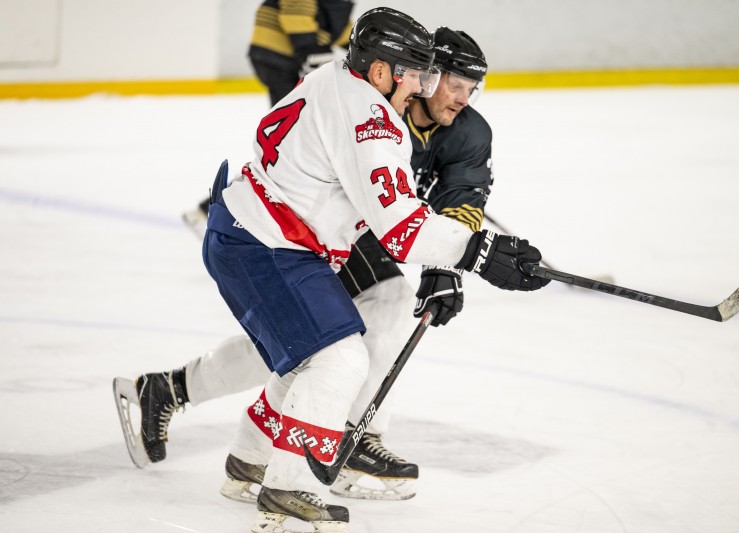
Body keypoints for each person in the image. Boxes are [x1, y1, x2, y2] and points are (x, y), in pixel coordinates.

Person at [118, 9, 549, 531]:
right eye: (434, 78)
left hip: (301, 234)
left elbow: (456, 201)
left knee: (324, 342)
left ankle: (251, 452)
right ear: (389, 71)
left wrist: (450, 263)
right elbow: (401, 227)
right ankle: (309, 462)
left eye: (465, 87)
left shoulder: (359, 87)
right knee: (333, 352)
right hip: (280, 238)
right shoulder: (373, 117)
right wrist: (477, 254)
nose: (443, 92)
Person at [182, 0, 356, 233]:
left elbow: (338, 25)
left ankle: (214, 209)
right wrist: (311, 50)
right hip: (280, 58)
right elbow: (295, 12)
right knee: (291, 147)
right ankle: (217, 208)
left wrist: (364, 48)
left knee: (291, 145)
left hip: (282, 59)